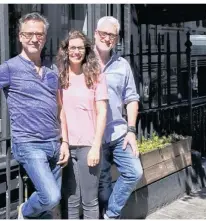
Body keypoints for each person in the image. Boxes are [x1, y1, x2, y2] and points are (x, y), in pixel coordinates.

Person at [0, 12, 69, 219]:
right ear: (20, 37)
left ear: (45, 37)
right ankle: (24, 211)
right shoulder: (9, 68)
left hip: (53, 143)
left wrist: (65, 142)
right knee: (50, 197)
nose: (35, 39)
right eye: (29, 34)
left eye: (39, 35)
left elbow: (60, 107)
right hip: (29, 144)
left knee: (52, 202)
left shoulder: (52, 68)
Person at [94, 16, 143, 219]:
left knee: (134, 171)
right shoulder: (83, 62)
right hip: (93, 137)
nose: (107, 38)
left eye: (112, 35)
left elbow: (131, 99)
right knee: (102, 188)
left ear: (117, 38)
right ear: (96, 34)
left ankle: (111, 215)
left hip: (118, 132)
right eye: (103, 34)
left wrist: (131, 131)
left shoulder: (122, 65)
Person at [56, 30, 108, 219]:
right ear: (66, 50)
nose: (76, 52)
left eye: (80, 48)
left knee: (89, 200)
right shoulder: (60, 77)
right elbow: (59, 111)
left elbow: (102, 112)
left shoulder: (96, 76)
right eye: (72, 48)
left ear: (86, 51)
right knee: (70, 199)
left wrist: (96, 146)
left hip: (88, 145)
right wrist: (64, 142)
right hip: (67, 146)